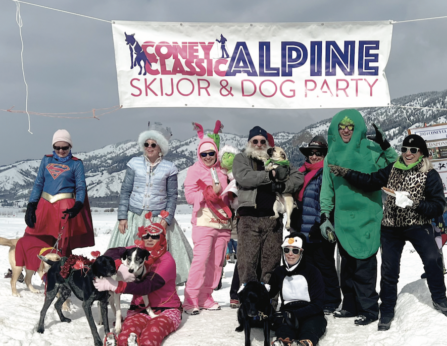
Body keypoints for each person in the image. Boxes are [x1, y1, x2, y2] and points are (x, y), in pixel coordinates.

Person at [329, 133, 447, 331]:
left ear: (421, 153)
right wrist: (346, 172)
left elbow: (438, 205)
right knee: (389, 271)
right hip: (391, 226)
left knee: (433, 259)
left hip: (417, 224)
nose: (408, 153)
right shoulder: (393, 168)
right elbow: (370, 181)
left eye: (413, 150)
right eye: (404, 149)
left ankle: (440, 298)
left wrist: (415, 204)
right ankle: (387, 309)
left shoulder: (430, 174)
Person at [319, 109, 398, 326]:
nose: (346, 131)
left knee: (365, 265)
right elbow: (327, 189)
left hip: (367, 217)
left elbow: (396, 168)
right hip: (343, 219)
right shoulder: (331, 155)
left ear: (358, 129)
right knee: (347, 266)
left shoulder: (371, 149)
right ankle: (350, 305)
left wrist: (386, 146)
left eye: (350, 127)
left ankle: (369, 308)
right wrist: (325, 215)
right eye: (342, 127)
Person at [108, 122, 192, 285]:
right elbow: (125, 191)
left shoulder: (169, 168)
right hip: (134, 216)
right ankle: (127, 280)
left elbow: (172, 196)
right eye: (146, 144)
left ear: (161, 147)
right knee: (127, 252)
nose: (149, 147)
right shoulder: (134, 163)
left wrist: (166, 219)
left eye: (153, 144)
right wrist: (122, 216)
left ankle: (156, 281)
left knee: (158, 254)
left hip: (157, 219)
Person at [12, 129, 94, 295]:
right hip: (44, 206)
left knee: (61, 247)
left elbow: (80, 186)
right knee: (33, 238)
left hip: (65, 207)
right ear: (53, 147)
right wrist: (31, 205)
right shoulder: (47, 160)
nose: (61, 150)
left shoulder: (76, 163)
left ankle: (62, 280)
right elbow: (38, 183)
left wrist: (78, 204)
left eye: (65, 147)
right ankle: (26, 268)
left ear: (70, 146)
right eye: (57, 147)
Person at [95, 217, 182, 346]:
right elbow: (112, 252)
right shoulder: (137, 251)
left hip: (166, 309)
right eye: (146, 236)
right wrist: (119, 265)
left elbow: (146, 286)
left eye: (154, 236)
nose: (149, 239)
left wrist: (116, 285)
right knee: (129, 329)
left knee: (155, 330)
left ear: (163, 238)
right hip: (139, 308)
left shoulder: (166, 261)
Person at [233, 126, 303, 286]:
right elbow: (244, 177)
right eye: (255, 141)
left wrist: (283, 186)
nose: (259, 144)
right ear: (249, 142)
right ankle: (249, 298)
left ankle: (270, 299)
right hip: (249, 218)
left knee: (271, 264)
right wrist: (270, 175)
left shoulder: (277, 160)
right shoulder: (241, 158)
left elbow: (298, 177)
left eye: (262, 141)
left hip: (273, 220)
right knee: (247, 264)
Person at [183, 121, 232, 314]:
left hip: (222, 223)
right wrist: (207, 194)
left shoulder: (223, 170)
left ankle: (206, 296)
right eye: (204, 154)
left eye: (211, 153)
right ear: (199, 155)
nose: (208, 157)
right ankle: (190, 300)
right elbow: (189, 196)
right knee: (201, 261)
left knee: (216, 263)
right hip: (204, 222)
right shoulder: (194, 170)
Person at [293, 135, 340, 314]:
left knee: (325, 265)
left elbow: (329, 200)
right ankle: (315, 299)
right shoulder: (302, 173)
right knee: (309, 267)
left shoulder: (326, 173)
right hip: (303, 229)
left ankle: (332, 300)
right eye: (311, 153)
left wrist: (321, 222)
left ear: (325, 154)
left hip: (321, 227)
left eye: (318, 153)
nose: (314, 156)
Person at [270, 233, 326, 346]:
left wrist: (296, 314)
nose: (290, 254)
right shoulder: (279, 272)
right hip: (288, 313)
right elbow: (269, 293)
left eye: (295, 251)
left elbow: (319, 303)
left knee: (310, 328)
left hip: (310, 312)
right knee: (284, 328)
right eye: (287, 250)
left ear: (301, 252)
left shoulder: (312, 271)